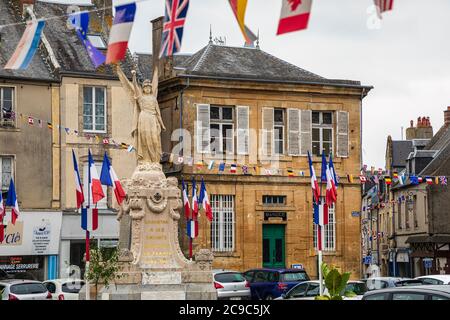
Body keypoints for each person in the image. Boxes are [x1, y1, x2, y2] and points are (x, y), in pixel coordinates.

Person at [116, 64, 166, 163]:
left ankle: (154, 160)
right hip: (144, 118)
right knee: (145, 140)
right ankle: (145, 160)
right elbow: (134, 86)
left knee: (155, 141)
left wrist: (162, 124)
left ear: (151, 89)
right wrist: (134, 76)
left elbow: (158, 113)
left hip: (153, 118)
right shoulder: (141, 97)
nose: (147, 89)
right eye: (146, 87)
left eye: (149, 87)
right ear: (143, 88)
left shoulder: (153, 99)